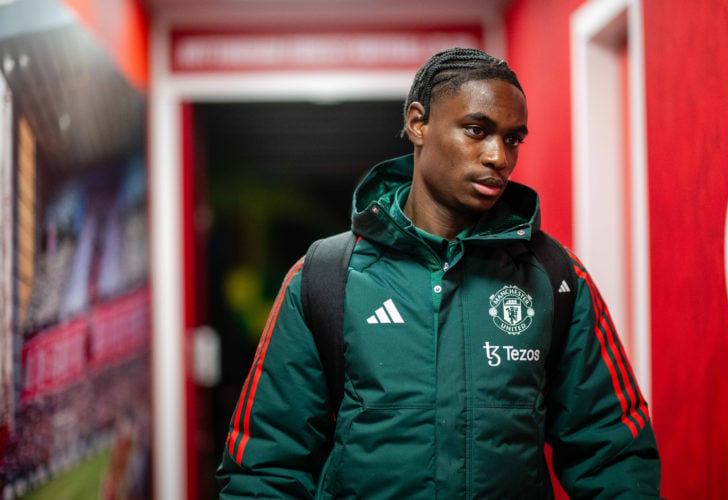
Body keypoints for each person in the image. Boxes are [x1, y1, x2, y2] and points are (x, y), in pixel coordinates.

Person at [217, 47, 661, 498]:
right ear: (418, 123)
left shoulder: (555, 277)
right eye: (477, 130)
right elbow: (267, 468)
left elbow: (613, 456)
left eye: (512, 139)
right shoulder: (326, 277)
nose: (498, 157)